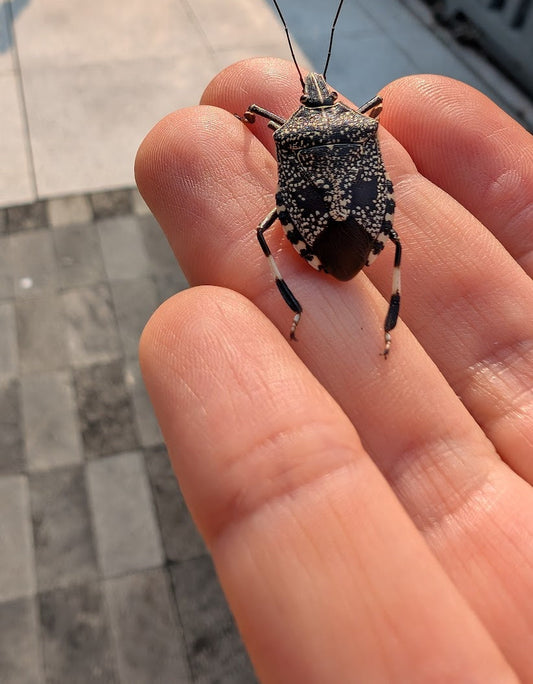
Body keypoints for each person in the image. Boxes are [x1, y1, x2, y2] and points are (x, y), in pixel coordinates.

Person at [135, 58, 533, 682]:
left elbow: (259, 118)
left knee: (265, 236)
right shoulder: (361, 125)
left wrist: (251, 121)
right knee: (393, 244)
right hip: (365, 226)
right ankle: (389, 322)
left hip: (313, 233)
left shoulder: (283, 130)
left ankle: (296, 310)